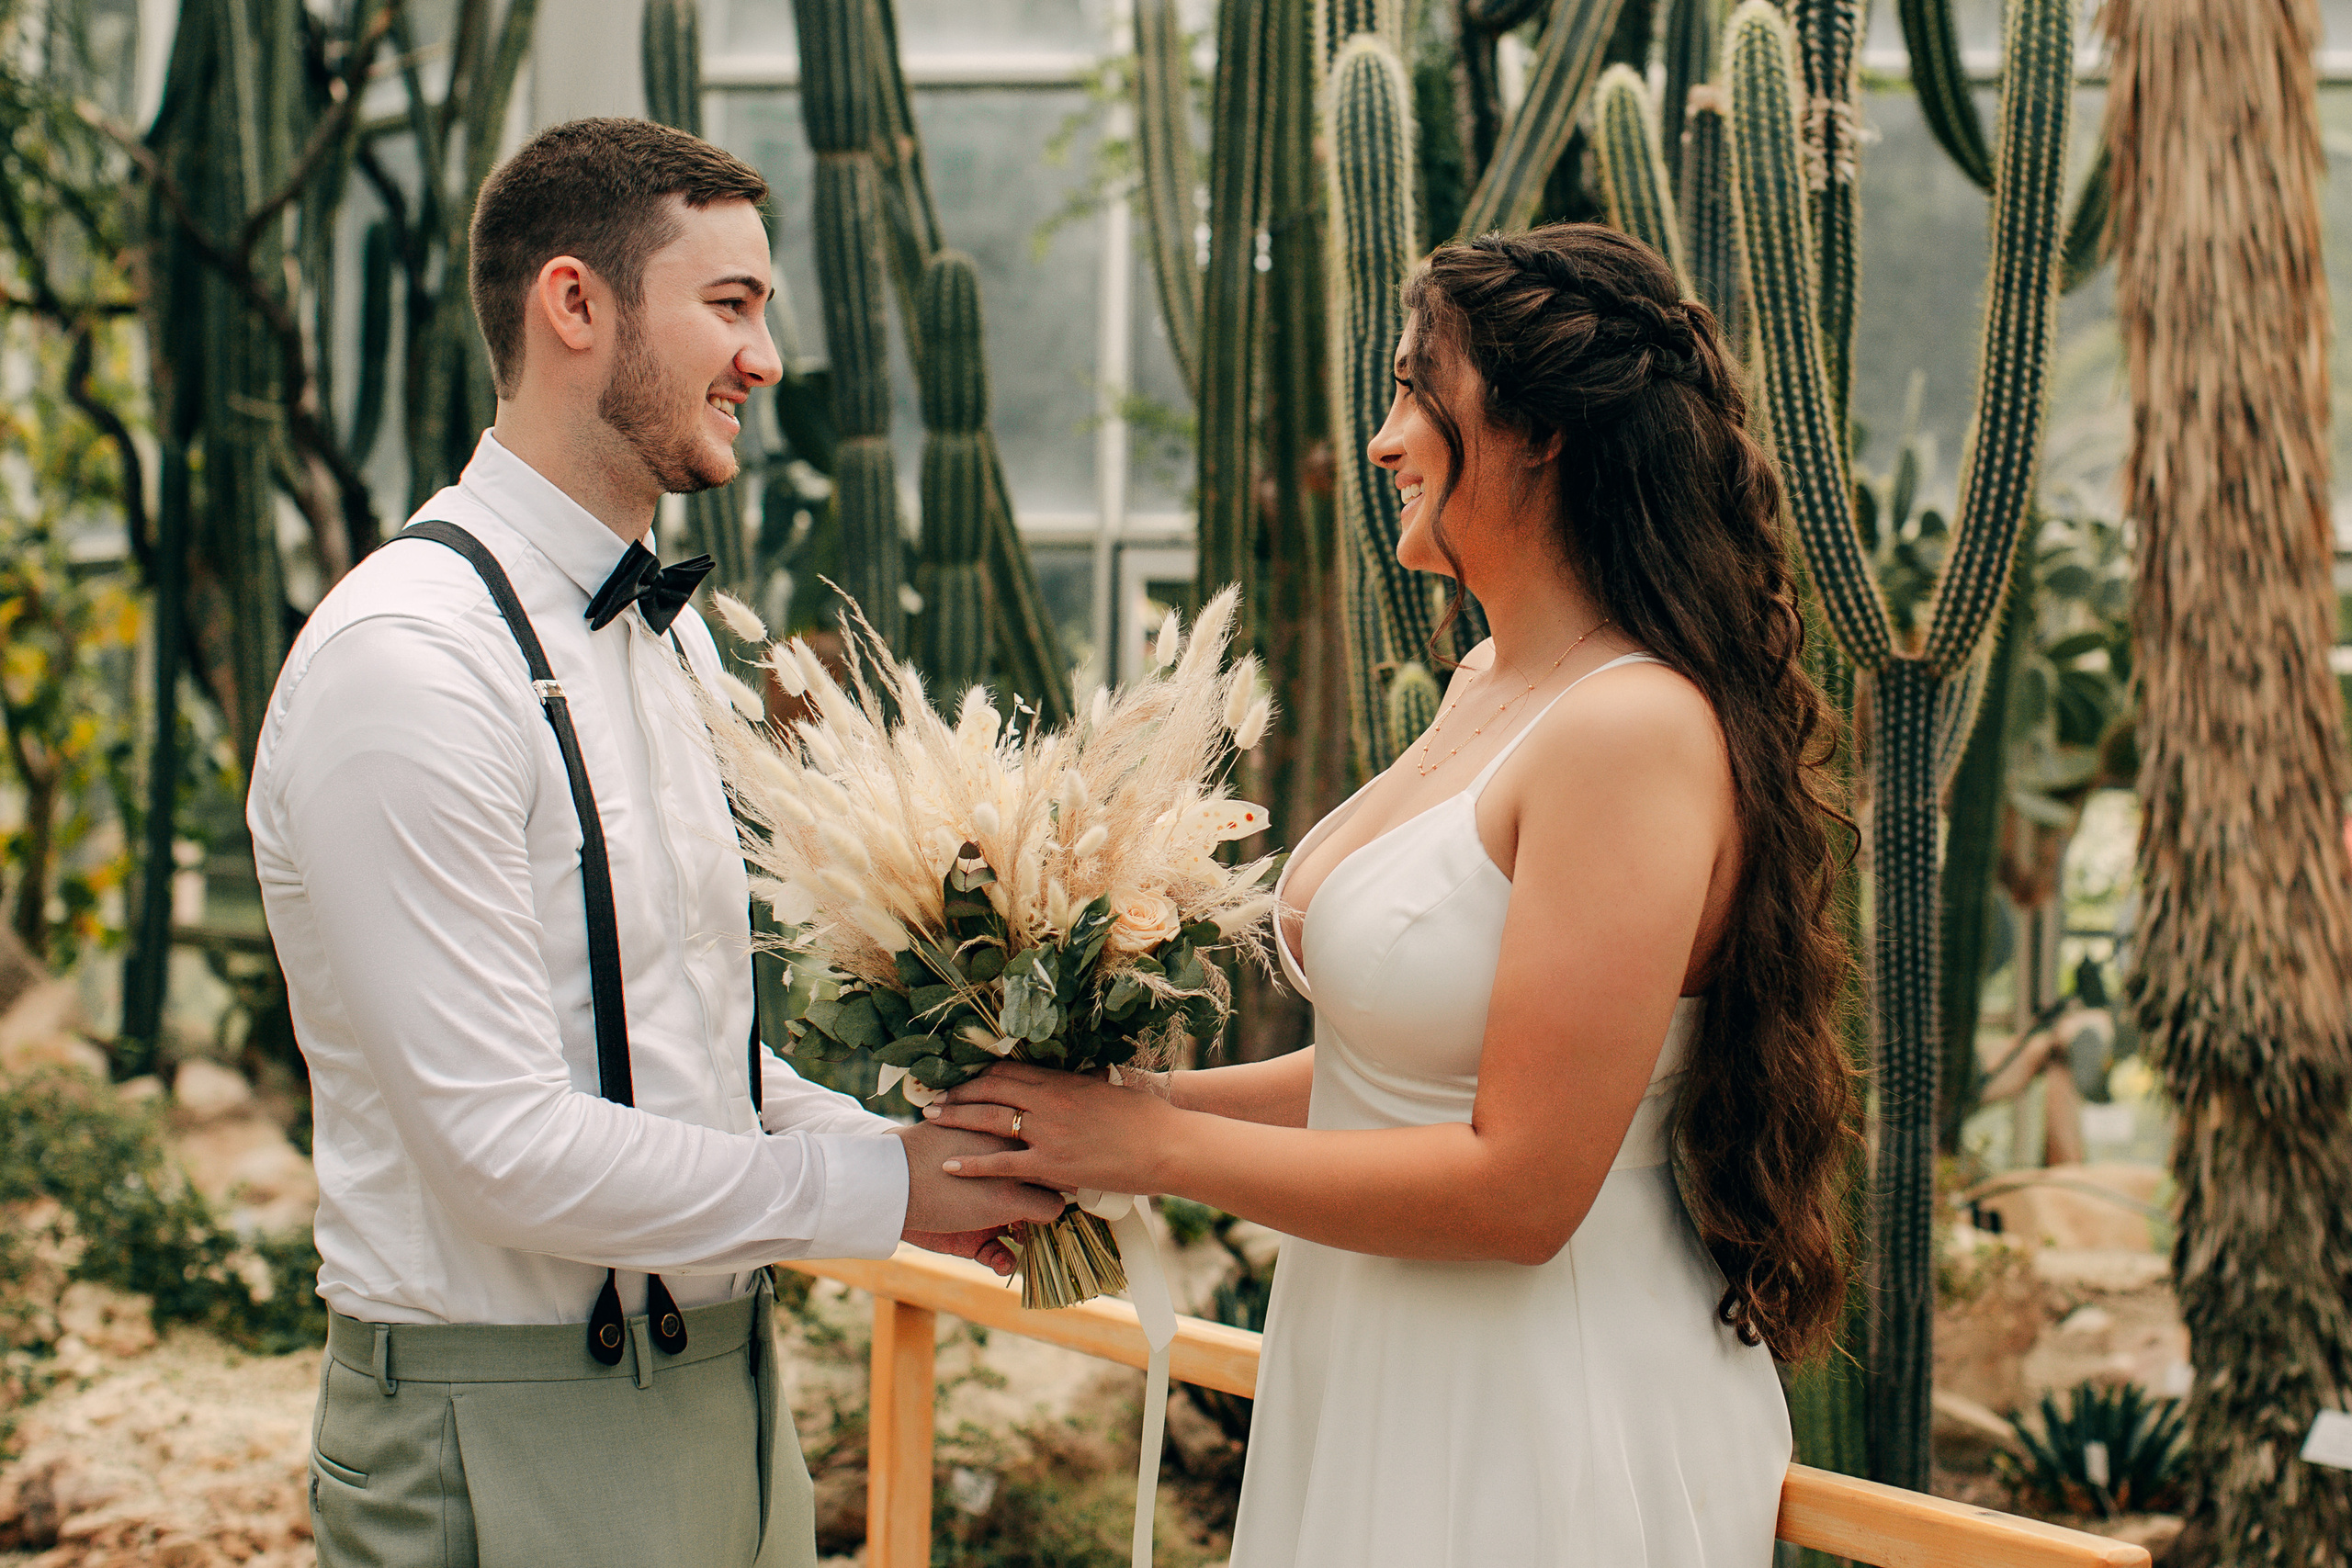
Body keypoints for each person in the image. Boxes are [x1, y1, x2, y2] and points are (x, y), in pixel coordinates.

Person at [922, 224, 1857, 1565]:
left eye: (1421, 390)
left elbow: (1525, 1190)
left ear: (1540, 437)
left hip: (1540, 1401)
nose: (1382, 439)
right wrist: (1112, 1114)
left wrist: (1155, 1155)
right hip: (1372, 1353)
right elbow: (1394, 1073)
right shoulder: (1487, 686)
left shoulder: (1630, 730)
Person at [247, 118, 1061, 1568]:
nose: (766, 361)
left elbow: (692, 1054)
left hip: (725, 1395)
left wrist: (931, 1157)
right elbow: (499, 1146)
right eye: (732, 307)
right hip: (502, 1423)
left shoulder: (670, 648)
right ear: (577, 305)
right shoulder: (407, 663)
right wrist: (878, 1192)